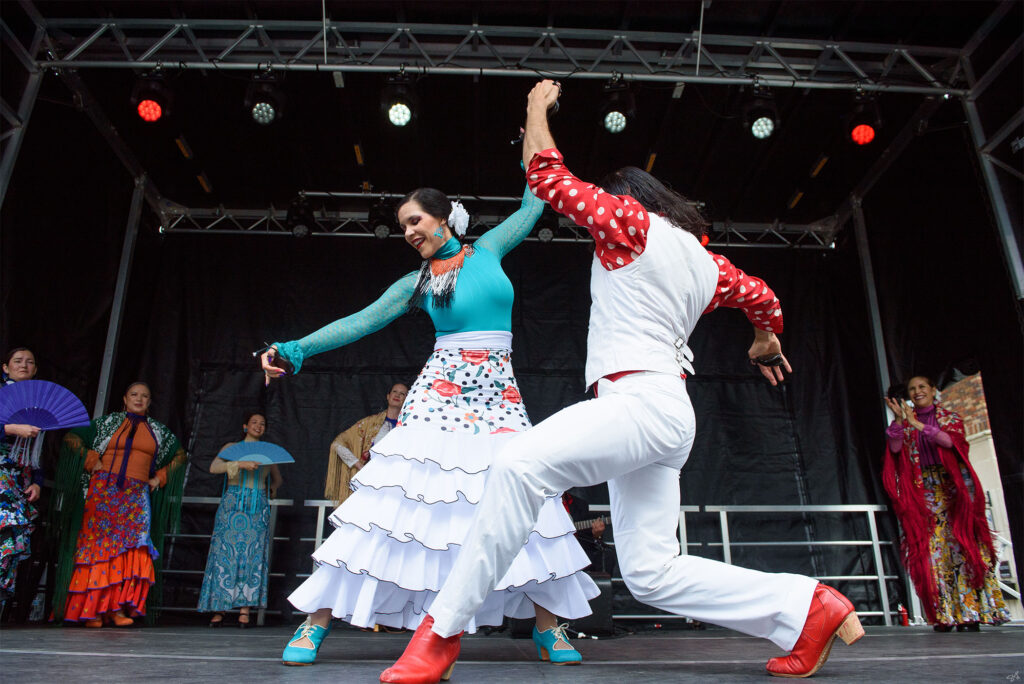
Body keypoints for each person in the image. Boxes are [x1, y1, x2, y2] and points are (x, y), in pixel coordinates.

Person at [380, 80, 863, 683]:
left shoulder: (629, 222)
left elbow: (549, 178)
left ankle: (441, 633)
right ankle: (807, 608)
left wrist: (534, 109)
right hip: (667, 416)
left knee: (518, 465)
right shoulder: (709, 263)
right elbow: (764, 298)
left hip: (638, 402)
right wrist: (765, 339)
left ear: (627, 200)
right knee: (651, 572)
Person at [261, 175, 598, 666]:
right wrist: (293, 349)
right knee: (395, 504)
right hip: (439, 396)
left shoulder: (488, 250)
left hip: (499, 397)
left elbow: (532, 206)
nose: (408, 232)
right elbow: (359, 322)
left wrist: (535, 131)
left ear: (443, 218)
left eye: (414, 220)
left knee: (526, 503)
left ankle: (549, 628)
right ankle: (316, 622)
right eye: (402, 226)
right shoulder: (416, 283)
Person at [52, 382, 187, 626]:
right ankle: (92, 610)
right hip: (104, 490)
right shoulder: (107, 423)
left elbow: (180, 455)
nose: (139, 399)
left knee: (130, 548)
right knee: (100, 548)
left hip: (136, 495)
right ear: (124, 399)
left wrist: (159, 477)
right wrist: (92, 460)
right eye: (134, 395)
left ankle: (116, 610)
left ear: (149, 402)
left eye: (145, 396)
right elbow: (73, 438)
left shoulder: (159, 431)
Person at [883, 376, 1010, 632]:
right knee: (933, 554)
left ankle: (972, 613)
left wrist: (917, 424)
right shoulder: (905, 424)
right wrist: (899, 422)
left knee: (964, 549)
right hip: (925, 494)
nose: (917, 392)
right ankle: (945, 615)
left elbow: (952, 443)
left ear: (932, 390)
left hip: (955, 493)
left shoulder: (950, 418)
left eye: (922, 387)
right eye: (912, 389)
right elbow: (895, 449)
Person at [198, 412, 283, 627]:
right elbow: (213, 467)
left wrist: (271, 488)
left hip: (257, 504)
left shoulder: (267, 452)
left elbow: (278, 478)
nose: (258, 426)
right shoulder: (231, 447)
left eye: (262, 423)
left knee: (251, 555)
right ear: (245, 426)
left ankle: (245, 609)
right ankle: (220, 607)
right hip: (233, 503)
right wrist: (238, 464)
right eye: (254, 422)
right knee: (225, 553)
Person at [0, 348, 44, 603]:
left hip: (20, 480)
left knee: (10, 542)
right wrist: (10, 428)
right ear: (5, 367)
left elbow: (38, 451)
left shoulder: (37, 403)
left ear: (35, 369)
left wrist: (38, 482)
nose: (24, 365)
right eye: (18, 361)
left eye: (30, 362)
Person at [325, 383, 408, 505]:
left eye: (402, 394)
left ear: (407, 399)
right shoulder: (370, 424)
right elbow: (338, 445)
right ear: (388, 396)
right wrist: (358, 465)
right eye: (395, 392)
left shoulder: (409, 427)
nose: (397, 395)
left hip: (400, 482)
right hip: (372, 480)